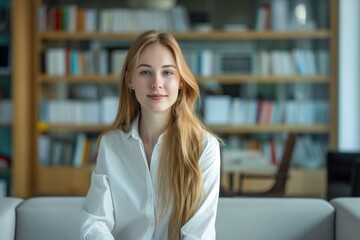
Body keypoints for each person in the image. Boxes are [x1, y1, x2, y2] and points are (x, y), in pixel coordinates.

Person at [80, 30, 221, 240]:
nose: (157, 83)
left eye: (167, 72)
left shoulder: (204, 146)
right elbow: (95, 222)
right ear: (130, 80)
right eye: (145, 72)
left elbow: (198, 235)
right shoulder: (111, 145)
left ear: (181, 81)